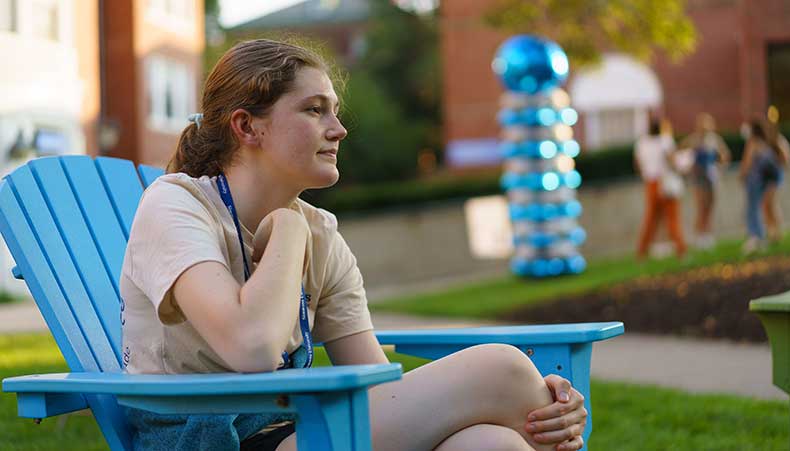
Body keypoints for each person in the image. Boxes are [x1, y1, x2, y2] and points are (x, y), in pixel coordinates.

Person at [120, 39, 587, 451]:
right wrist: (287, 228)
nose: (338, 129)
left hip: (301, 431)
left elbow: (374, 384)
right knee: (502, 368)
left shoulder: (321, 232)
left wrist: (537, 408)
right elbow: (251, 347)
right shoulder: (176, 205)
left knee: (493, 444)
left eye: (335, 111)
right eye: (314, 109)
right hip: (208, 440)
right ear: (247, 126)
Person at [634, 118, 687, 259]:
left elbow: (638, 165)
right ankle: (680, 249)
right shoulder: (665, 141)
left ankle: (641, 252)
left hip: (650, 183)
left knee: (651, 219)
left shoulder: (641, 143)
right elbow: (672, 160)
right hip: (664, 182)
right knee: (672, 217)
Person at [678, 113, 731, 249]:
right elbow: (681, 153)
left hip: (711, 177)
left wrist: (720, 166)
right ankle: (699, 235)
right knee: (701, 206)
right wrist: (687, 167)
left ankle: (707, 234)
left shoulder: (714, 140)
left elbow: (725, 155)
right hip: (698, 178)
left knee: (710, 206)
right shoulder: (693, 140)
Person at [739, 118, 790, 253]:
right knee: (766, 206)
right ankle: (772, 232)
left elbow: (748, 162)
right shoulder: (764, 142)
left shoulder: (766, 141)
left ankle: (772, 233)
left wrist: (742, 175)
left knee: (768, 205)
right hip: (765, 180)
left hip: (766, 180)